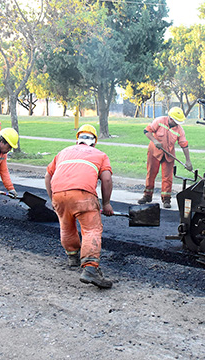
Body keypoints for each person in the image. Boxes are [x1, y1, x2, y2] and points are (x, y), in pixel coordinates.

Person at [45, 124, 114, 289]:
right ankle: (90, 268)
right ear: (94, 142)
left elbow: (48, 176)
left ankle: (73, 257)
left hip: (58, 194)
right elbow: (106, 179)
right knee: (91, 229)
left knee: (66, 225)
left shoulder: (63, 152)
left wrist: (54, 200)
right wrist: (106, 203)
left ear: (77, 139)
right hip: (83, 195)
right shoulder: (100, 154)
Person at [137, 107, 193, 208]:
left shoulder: (180, 130)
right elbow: (146, 131)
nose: (177, 123)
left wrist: (188, 161)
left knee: (168, 177)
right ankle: (147, 196)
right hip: (154, 152)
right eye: (176, 121)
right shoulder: (159, 121)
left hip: (168, 155)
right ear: (170, 118)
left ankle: (166, 199)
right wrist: (155, 141)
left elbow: (184, 144)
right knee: (151, 174)